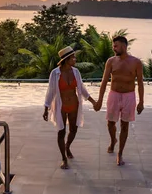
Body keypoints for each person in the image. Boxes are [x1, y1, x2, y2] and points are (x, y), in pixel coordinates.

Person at [43, 46, 97, 169]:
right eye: (73, 57)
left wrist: (93, 102)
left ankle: (67, 147)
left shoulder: (76, 72)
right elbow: (50, 91)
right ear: (66, 59)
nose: (75, 59)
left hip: (74, 105)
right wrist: (46, 108)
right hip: (61, 106)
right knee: (61, 132)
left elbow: (82, 89)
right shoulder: (55, 73)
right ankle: (63, 158)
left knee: (74, 130)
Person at [94, 35, 144, 165]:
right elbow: (104, 81)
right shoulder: (110, 61)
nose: (113, 48)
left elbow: (140, 83)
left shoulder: (136, 62)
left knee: (125, 125)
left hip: (129, 95)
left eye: (115, 46)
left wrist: (141, 102)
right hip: (114, 94)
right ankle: (113, 140)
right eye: (113, 46)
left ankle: (120, 153)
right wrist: (99, 100)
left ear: (123, 46)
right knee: (110, 123)